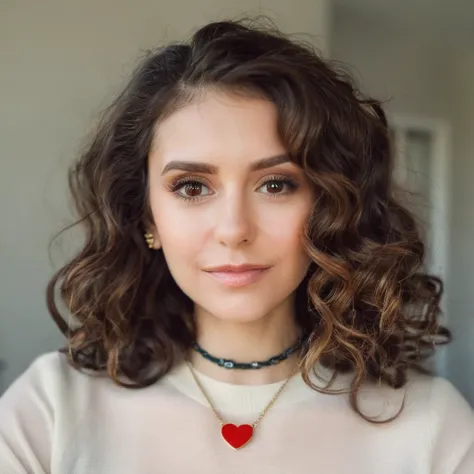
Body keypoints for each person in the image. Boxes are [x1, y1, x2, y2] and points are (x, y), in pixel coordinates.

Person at [0, 18, 473, 474]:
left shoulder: (432, 428)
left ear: (330, 206)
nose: (233, 229)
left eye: (275, 185)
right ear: (149, 218)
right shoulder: (51, 409)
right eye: (191, 187)